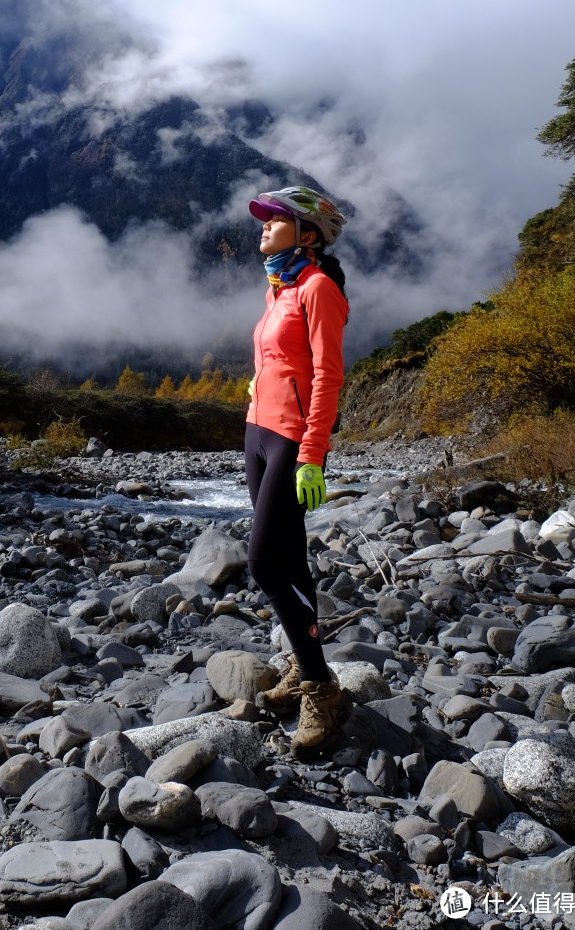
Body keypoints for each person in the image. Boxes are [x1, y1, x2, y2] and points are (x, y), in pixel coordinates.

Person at [244, 185, 351, 757]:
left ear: (307, 233)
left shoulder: (317, 289)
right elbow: (280, 360)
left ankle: (321, 688)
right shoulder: (279, 286)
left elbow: (327, 377)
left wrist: (312, 454)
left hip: (290, 441)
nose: (263, 227)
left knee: (263, 566)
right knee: (289, 561)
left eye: (275, 220)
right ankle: (304, 662)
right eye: (263, 220)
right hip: (258, 433)